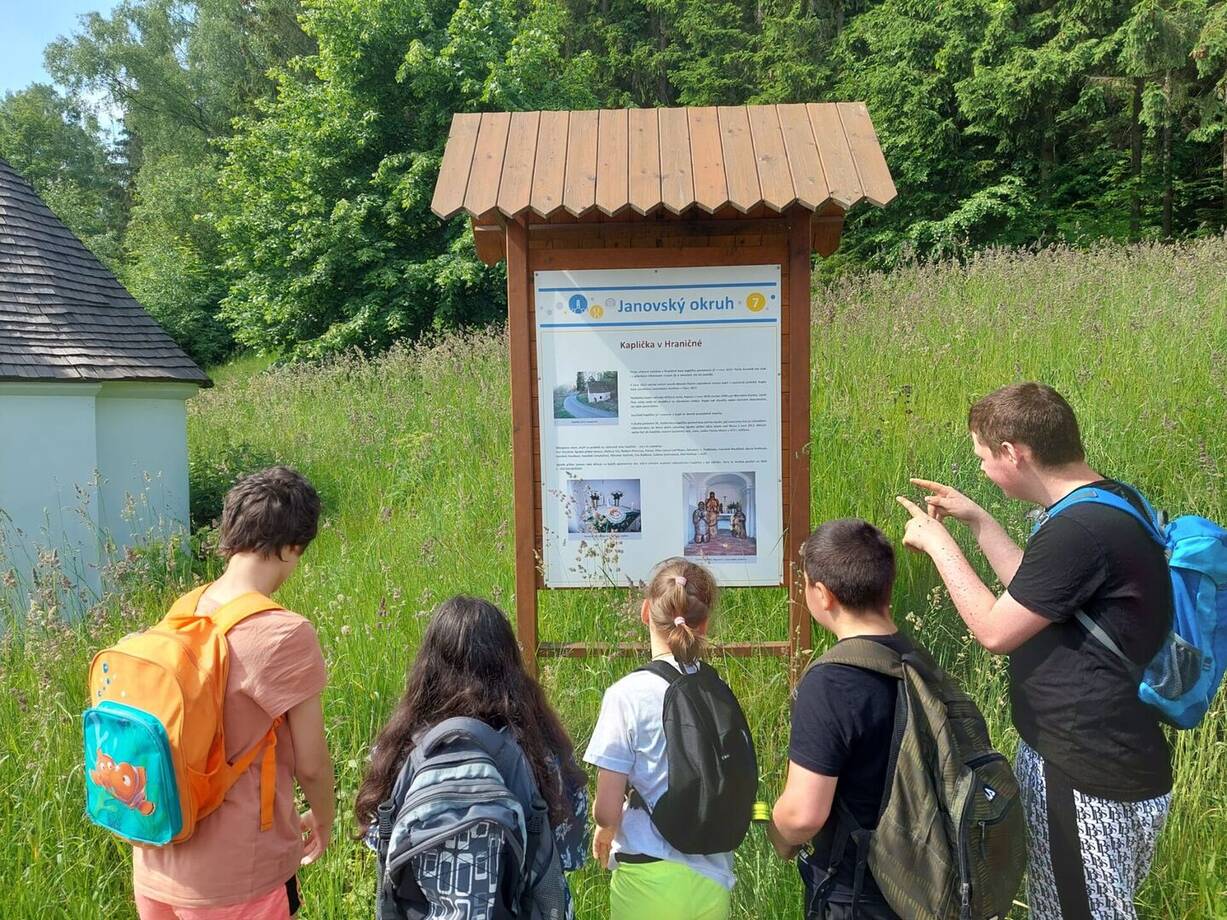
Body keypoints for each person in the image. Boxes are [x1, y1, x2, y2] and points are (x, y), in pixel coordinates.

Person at [898, 382, 1173, 919]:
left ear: (1013, 453)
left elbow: (995, 631)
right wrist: (979, 521)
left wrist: (938, 543)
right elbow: (1042, 591)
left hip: (1084, 773)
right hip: (1119, 756)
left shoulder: (1078, 530)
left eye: (983, 457)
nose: (982, 469)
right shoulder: (1109, 501)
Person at [133, 466, 334, 920]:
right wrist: (324, 818)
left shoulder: (184, 611)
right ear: (292, 547)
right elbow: (312, 764)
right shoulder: (285, 633)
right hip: (236, 881)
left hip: (155, 861)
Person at [355, 596, 589, 915]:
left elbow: (379, 843)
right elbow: (570, 853)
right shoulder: (540, 750)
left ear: (427, 666)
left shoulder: (399, 751)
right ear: (509, 663)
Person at [767, 519, 909, 920]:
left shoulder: (832, 682)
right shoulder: (918, 661)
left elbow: (803, 815)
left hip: (859, 892)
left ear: (823, 595)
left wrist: (778, 834)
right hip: (928, 884)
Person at [585, 558, 737, 920]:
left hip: (647, 875)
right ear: (705, 623)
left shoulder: (627, 694)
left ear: (645, 612)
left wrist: (605, 826)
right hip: (713, 875)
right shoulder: (717, 689)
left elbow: (607, 809)